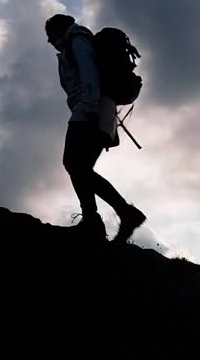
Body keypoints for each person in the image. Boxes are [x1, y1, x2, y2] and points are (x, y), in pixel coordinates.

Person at [45, 13, 146, 243]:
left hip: (90, 111)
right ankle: (98, 220)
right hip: (99, 111)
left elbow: (89, 74)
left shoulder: (77, 41)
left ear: (60, 29)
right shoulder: (78, 41)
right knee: (80, 167)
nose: (50, 42)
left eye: (50, 36)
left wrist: (89, 110)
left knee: (73, 163)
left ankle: (116, 216)